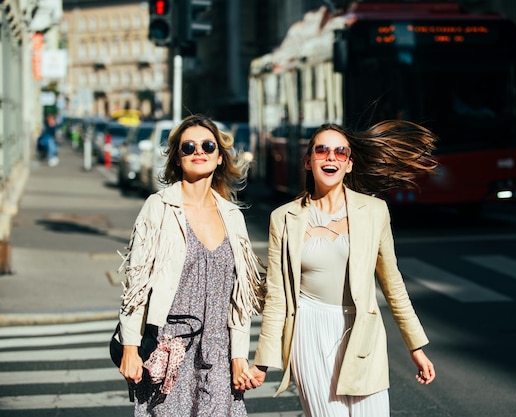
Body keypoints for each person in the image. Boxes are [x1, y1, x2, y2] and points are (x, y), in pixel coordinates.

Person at [241, 120, 438, 417]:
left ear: (349, 164)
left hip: (361, 334)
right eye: (322, 150)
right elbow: (278, 297)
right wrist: (262, 361)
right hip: (307, 333)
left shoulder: (374, 212)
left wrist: (416, 347)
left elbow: (393, 285)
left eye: (340, 152)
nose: (331, 157)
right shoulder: (284, 218)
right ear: (308, 162)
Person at [116, 114, 264, 416]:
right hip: (169, 348)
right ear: (177, 159)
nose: (199, 151)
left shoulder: (232, 216)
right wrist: (130, 347)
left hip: (219, 352)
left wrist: (239, 356)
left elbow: (240, 297)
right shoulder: (159, 207)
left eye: (208, 145)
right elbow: (137, 285)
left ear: (220, 157)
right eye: (189, 147)